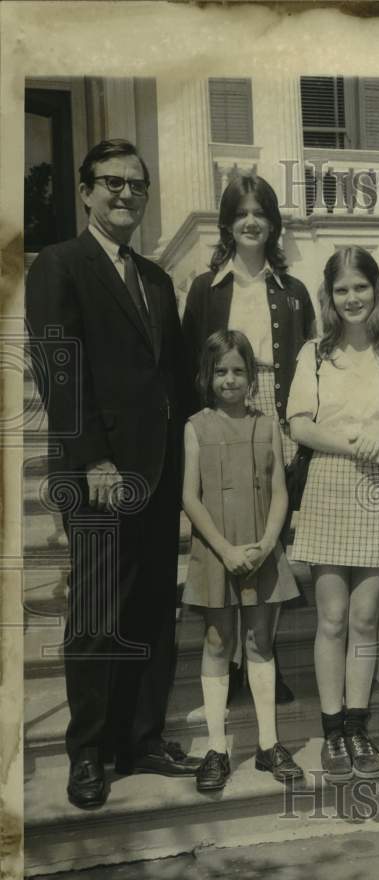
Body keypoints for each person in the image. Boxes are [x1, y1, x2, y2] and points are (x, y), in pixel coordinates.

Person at [26, 138, 200, 809]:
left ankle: (142, 737)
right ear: (85, 191)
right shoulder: (61, 267)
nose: (125, 195)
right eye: (112, 183)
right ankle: (90, 753)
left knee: (153, 608)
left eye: (136, 185)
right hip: (97, 475)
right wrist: (94, 457)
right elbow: (59, 369)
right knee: (97, 615)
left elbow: (174, 381)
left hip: (158, 474)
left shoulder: (155, 279)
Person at [287, 246, 379, 782]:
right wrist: (361, 441)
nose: (352, 298)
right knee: (332, 619)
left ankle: (360, 727)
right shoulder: (315, 354)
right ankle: (332, 728)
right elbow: (299, 425)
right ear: (329, 296)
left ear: (377, 289)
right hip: (330, 483)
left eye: (360, 287)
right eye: (341, 290)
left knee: (366, 621)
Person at [182, 173, 316, 705]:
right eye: (241, 214)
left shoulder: (294, 293)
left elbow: (308, 364)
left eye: (261, 212)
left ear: (274, 223)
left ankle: (262, 654)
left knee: (269, 536)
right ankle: (230, 658)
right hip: (222, 419)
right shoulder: (205, 289)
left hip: (276, 423)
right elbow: (191, 365)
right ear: (227, 224)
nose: (251, 222)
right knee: (226, 534)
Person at [181, 329, 302, 791]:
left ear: (251, 377)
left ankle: (269, 745)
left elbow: (278, 491)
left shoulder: (266, 424)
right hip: (216, 552)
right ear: (207, 376)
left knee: (259, 644)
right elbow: (190, 497)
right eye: (220, 371)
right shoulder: (196, 426)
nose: (229, 379)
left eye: (238, 371)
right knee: (216, 643)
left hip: (261, 550)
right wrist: (226, 550)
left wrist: (268, 543)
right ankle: (215, 747)